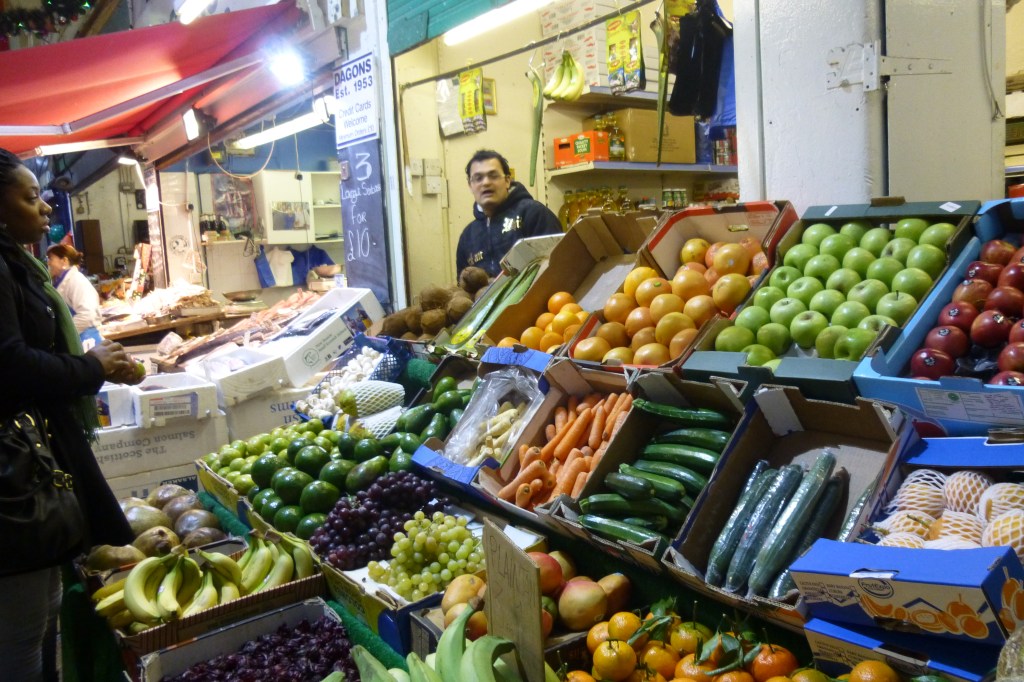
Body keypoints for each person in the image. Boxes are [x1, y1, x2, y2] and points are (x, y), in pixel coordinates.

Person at [0, 148, 140, 681]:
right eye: (31, 197)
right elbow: (9, 364)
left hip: (32, 460)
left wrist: (95, 368)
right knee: (21, 635)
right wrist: (87, 368)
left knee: (41, 616)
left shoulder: (17, 262)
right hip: (14, 480)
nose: (44, 210)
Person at [456, 150, 561, 277]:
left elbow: (558, 266)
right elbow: (464, 286)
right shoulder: (467, 237)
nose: (486, 182)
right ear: (470, 185)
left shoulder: (533, 214)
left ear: (507, 180)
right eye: (478, 178)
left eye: (493, 176)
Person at [46, 243, 102, 334]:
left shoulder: (76, 281)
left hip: (85, 339)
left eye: (51, 258)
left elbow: (87, 315)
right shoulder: (60, 282)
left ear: (64, 260)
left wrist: (64, 334)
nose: (48, 262)